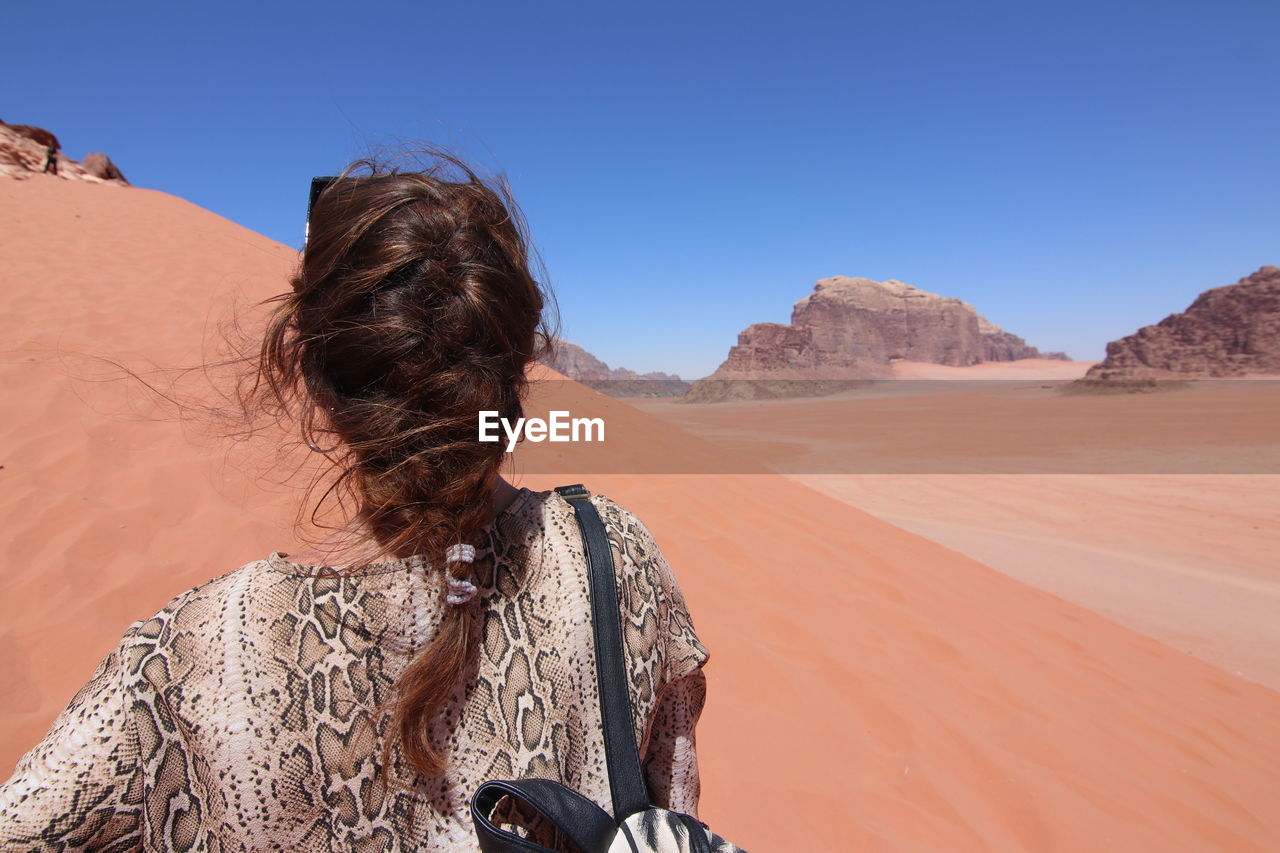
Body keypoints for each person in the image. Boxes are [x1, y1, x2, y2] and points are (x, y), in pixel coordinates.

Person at [0, 154, 711, 850]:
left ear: (304, 367)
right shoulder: (615, 558)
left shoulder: (180, 665)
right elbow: (670, 818)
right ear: (516, 363)